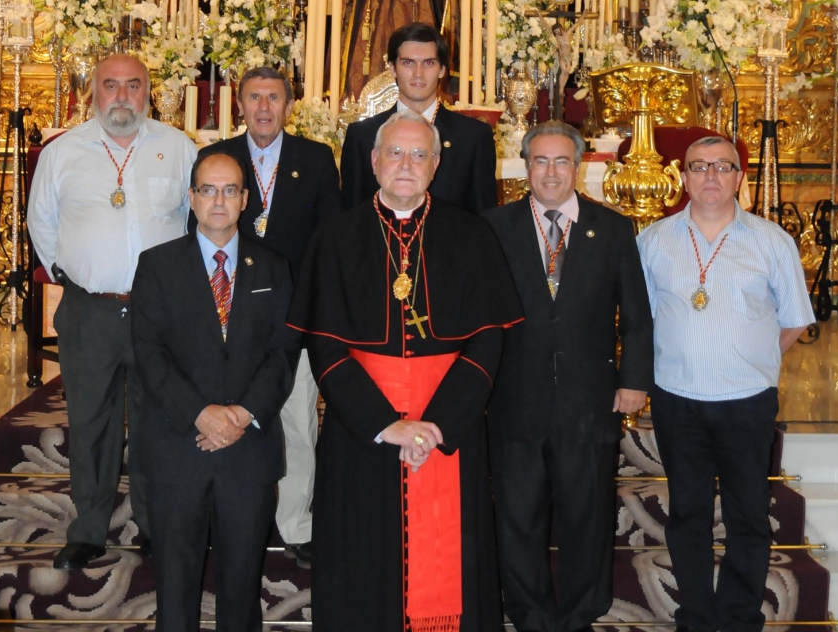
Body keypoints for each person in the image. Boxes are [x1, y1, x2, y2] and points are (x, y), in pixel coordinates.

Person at [288, 109, 523, 632]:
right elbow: (323, 344)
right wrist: (383, 423)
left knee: (455, 553)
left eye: (420, 154)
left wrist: (439, 424)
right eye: (395, 152)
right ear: (373, 161)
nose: (406, 164)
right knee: (361, 551)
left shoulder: (471, 235)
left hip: (449, 428)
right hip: (362, 431)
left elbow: (487, 337)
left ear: (436, 165)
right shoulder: (336, 238)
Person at [481, 121, 654, 632]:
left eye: (561, 162)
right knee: (517, 518)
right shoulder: (493, 226)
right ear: (525, 166)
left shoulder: (613, 227)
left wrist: (634, 380)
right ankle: (530, 614)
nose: (551, 172)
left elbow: (638, 315)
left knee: (588, 513)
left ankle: (582, 611)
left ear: (576, 167)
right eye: (540, 161)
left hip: (590, 398)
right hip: (514, 397)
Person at [636, 136, 814, 632]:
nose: (711, 176)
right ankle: (695, 616)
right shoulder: (652, 241)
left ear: (740, 178)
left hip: (747, 403)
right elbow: (642, 319)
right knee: (687, 514)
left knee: (748, 516)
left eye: (723, 167)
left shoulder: (771, 240)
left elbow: (795, 319)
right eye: (699, 166)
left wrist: (750, 359)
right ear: (683, 177)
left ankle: (738, 618)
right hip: (678, 400)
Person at [28, 53, 197, 571]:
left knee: (158, 421)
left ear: (149, 92)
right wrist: (80, 279)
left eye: (133, 86)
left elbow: (197, 221)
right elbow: (42, 225)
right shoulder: (63, 153)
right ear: (93, 92)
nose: (122, 96)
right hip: (89, 311)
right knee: (90, 422)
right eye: (110, 86)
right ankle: (89, 528)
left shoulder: (178, 147)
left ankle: (154, 522)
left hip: (159, 315)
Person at [131, 150, 300, 631]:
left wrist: (242, 414)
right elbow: (149, 354)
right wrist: (200, 414)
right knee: (176, 587)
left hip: (247, 451)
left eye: (230, 190)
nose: (219, 200)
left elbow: (283, 353)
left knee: (242, 586)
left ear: (245, 199)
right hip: (177, 446)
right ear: (192, 197)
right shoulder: (157, 265)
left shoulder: (273, 266)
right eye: (208, 189)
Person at [201, 66, 341, 568]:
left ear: (289, 105)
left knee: (297, 421)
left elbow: (329, 242)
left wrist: (312, 313)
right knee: (235, 414)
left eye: (274, 97)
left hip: (292, 315)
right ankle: (238, 516)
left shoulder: (316, 158)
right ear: (239, 104)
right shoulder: (217, 159)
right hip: (228, 315)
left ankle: (297, 526)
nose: (264, 107)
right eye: (255, 97)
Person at [340, 22, 497, 213]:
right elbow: (351, 215)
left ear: (442, 70)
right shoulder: (362, 136)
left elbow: (484, 217)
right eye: (408, 63)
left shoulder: (473, 137)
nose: (418, 74)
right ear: (392, 68)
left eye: (428, 63)